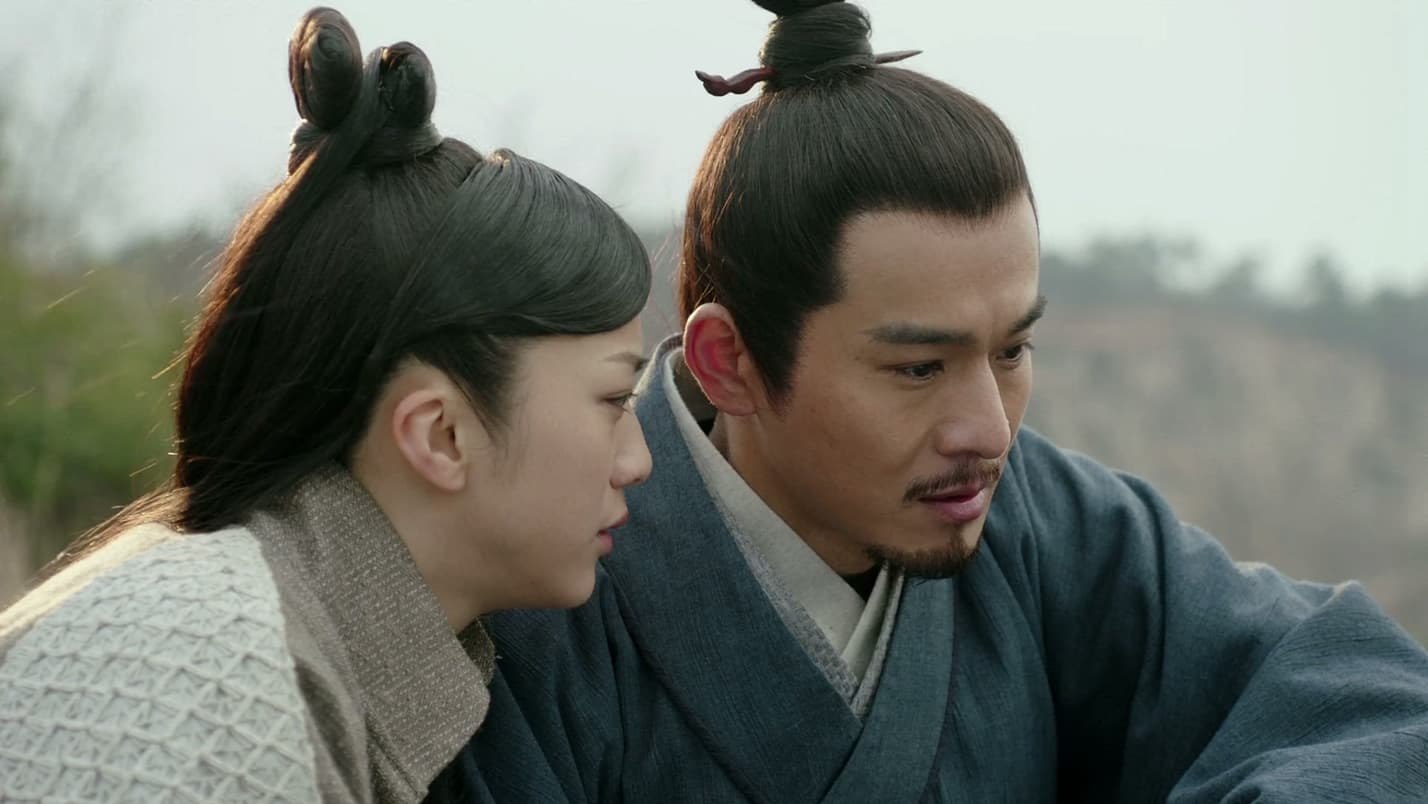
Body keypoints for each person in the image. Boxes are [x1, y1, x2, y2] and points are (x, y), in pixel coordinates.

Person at [429, 0, 1428, 801]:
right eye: (918, 368)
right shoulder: (545, 595)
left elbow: (1361, 697)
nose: (989, 432)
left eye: (1012, 350)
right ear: (729, 362)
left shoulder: (1038, 523)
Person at [0, 7, 653, 803]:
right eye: (614, 398)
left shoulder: (264, 647)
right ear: (440, 434)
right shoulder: (194, 696)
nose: (638, 459)